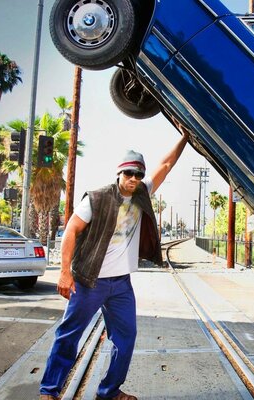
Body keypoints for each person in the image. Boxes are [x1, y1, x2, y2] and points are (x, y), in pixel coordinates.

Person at [39, 126, 190, 400]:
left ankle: (108, 391)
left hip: (121, 284)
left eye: (139, 174)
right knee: (69, 335)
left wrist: (185, 137)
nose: (134, 179)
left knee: (126, 337)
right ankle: (49, 391)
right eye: (129, 173)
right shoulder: (96, 199)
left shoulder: (142, 193)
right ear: (119, 173)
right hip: (89, 280)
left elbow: (166, 164)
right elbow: (71, 231)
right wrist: (64, 273)